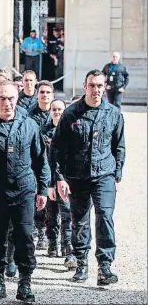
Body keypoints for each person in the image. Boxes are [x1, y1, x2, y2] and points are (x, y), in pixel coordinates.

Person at [50, 69, 125, 286]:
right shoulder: (71, 113)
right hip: (77, 176)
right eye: (92, 85)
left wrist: (117, 175)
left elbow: (119, 146)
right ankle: (81, 262)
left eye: (100, 85)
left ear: (104, 87)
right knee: (79, 221)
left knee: (105, 217)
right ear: (85, 86)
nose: (96, 89)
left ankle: (105, 266)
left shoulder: (113, 113)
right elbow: (57, 148)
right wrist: (59, 178)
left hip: (104, 174)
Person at [0, 81, 50, 303]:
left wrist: (42, 188)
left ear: (17, 99)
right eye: (2, 98)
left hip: (23, 190)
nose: (7, 102)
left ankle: (25, 282)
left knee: (24, 236)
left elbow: (41, 160)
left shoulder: (29, 125)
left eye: (11, 98)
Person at [41, 99, 76, 270]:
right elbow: (43, 161)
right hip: (50, 180)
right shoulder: (43, 132)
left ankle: (68, 250)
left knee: (67, 215)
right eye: (54, 109)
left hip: (64, 180)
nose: (56, 112)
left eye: (60, 109)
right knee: (52, 214)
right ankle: (52, 243)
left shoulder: (69, 130)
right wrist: (47, 184)